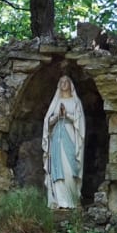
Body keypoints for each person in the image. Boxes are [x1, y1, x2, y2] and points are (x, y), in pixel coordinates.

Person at [42, 75, 85, 209]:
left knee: (70, 167)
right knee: (57, 169)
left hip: (71, 136)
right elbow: (47, 122)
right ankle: (59, 200)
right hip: (56, 138)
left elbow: (80, 121)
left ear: (71, 84)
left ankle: (72, 200)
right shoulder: (55, 102)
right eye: (61, 82)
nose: (64, 84)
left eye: (66, 81)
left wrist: (66, 115)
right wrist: (57, 117)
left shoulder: (75, 101)